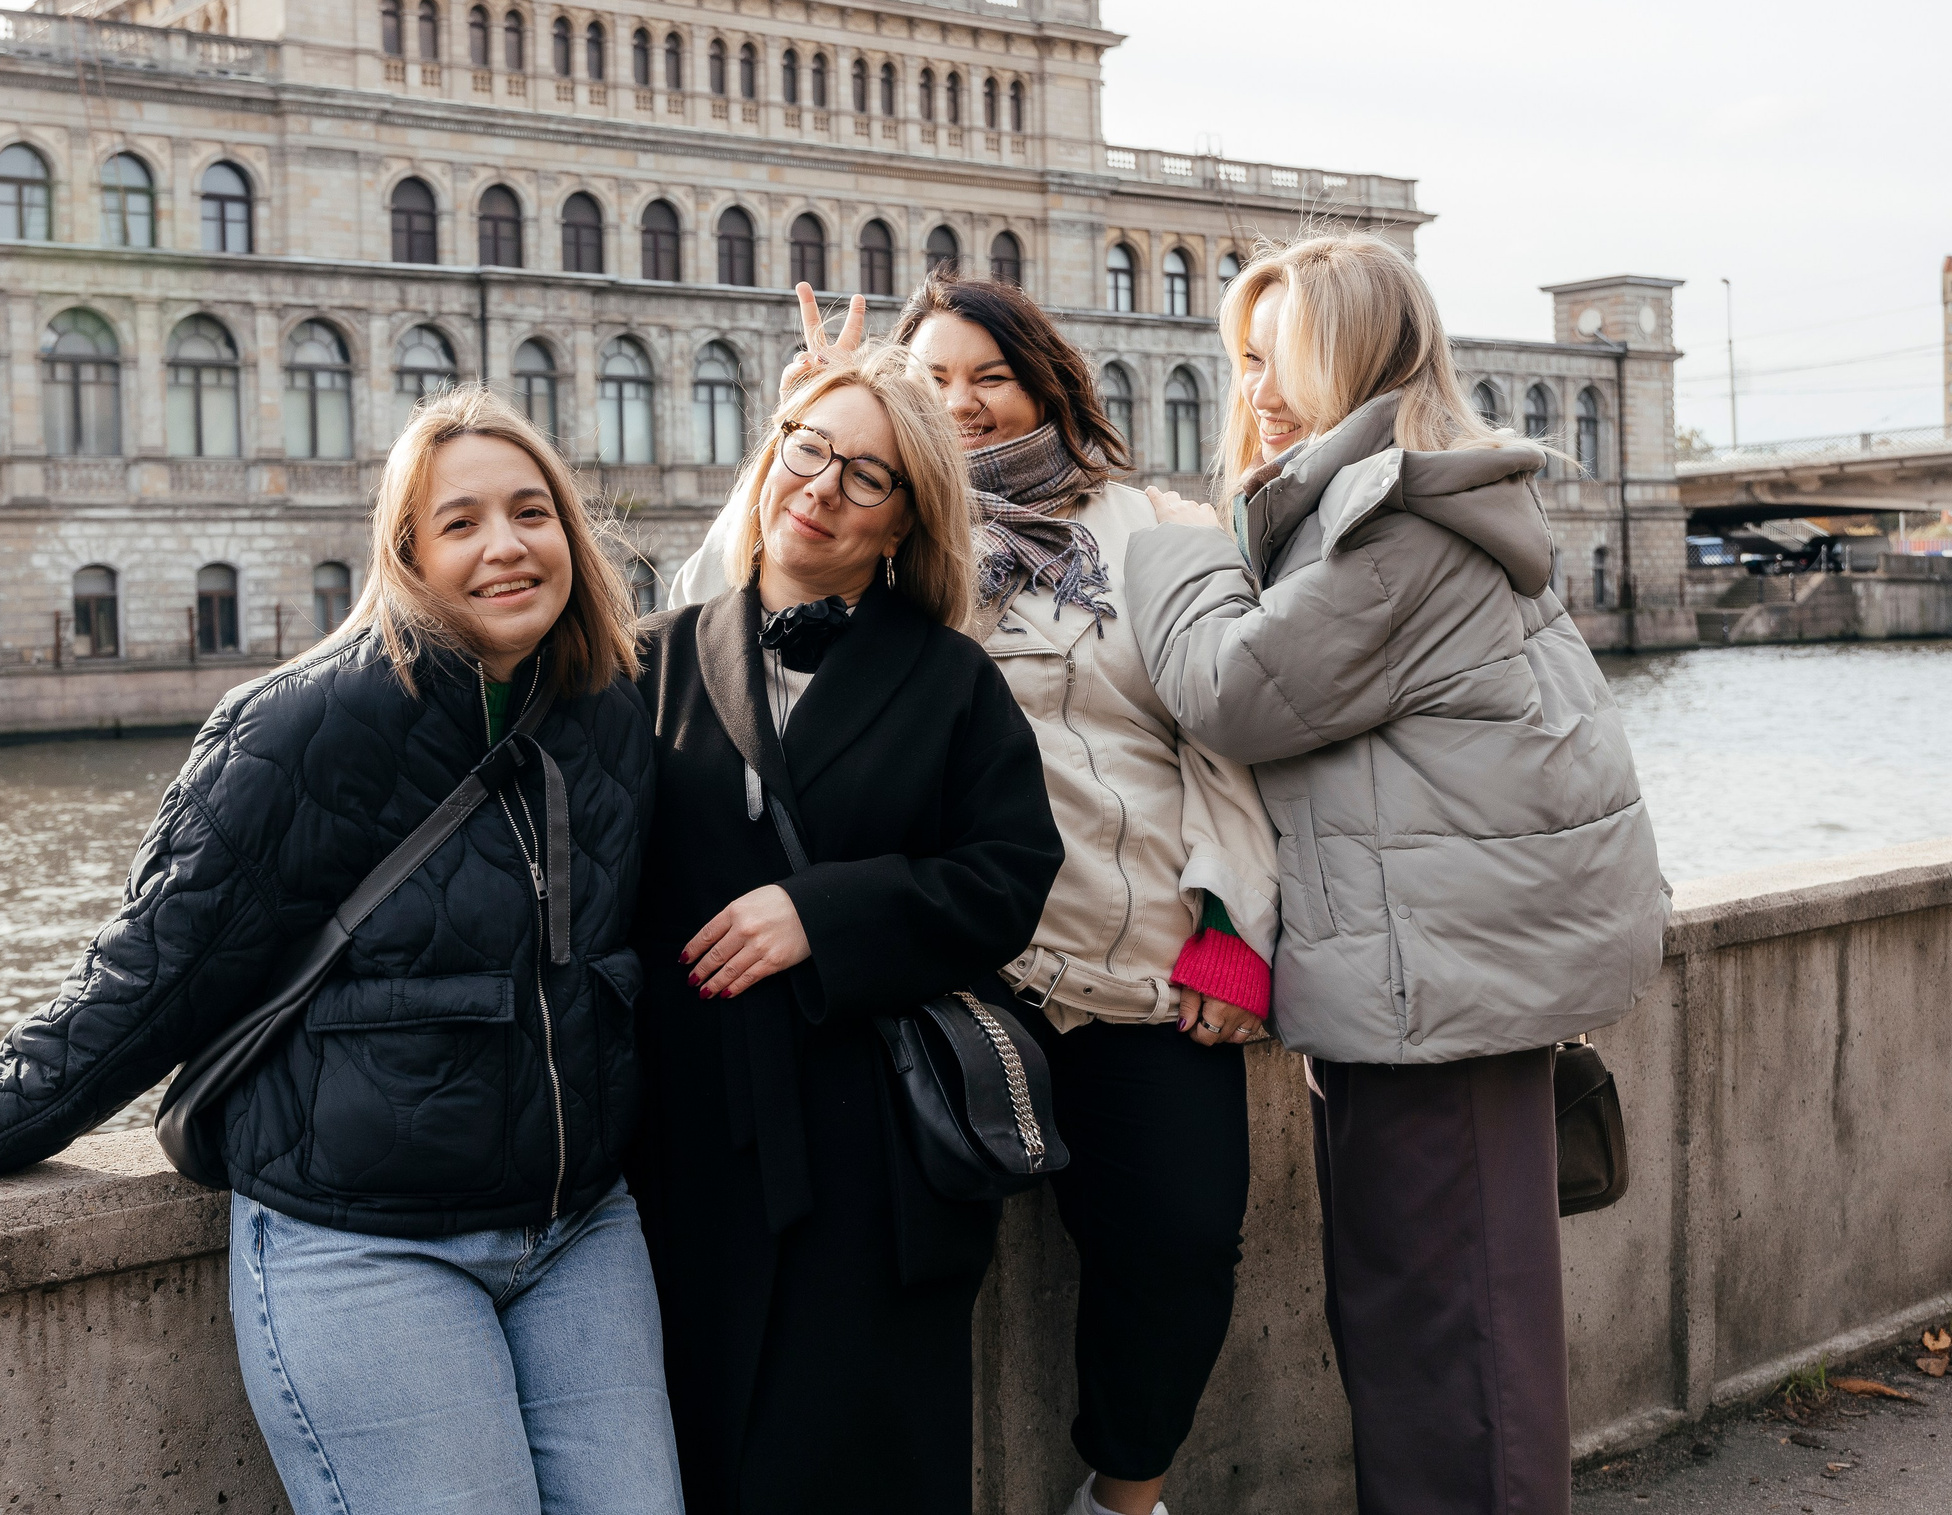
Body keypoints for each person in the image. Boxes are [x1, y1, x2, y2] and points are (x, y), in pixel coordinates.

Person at [0, 387, 681, 1515]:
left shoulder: (613, 708)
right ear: (404, 554)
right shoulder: (303, 725)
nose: (506, 547)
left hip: (582, 1228)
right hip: (367, 1246)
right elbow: (148, 978)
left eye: (531, 512)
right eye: (460, 524)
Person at [1126, 233, 1668, 1515]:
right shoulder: (1408, 501)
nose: (1253, 391)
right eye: (1242, 360)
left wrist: (1175, 544)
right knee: (1431, 1325)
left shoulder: (1396, 525)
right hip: (1430, 972)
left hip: (1438, 989)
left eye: (1280, 359)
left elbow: (1231, 691)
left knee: (1446, 1342)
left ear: (1357, 356)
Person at [629, 340, 1064, 1515]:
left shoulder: (951, 681)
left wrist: (821, 913)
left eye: (863, 476)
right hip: (688, 1140)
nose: (819, 488)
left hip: (875, 1159)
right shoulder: (645, 662)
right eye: (806, 450)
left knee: (866, 1463)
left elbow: (1009, 880)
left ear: (901, 523)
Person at [895, 271, 1282, 1515]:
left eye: (986, 377)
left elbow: (1219, 745)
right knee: (898, 1272)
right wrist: (801, 425)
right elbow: (712, 630)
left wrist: (1231, 935)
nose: (957, 406)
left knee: (1177, 1249)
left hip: (1135, 968)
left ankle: (1124, 1500)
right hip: (956, 973)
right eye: (927, 381)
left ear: (1044, 381)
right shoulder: (876, 524)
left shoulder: (1154, 527)